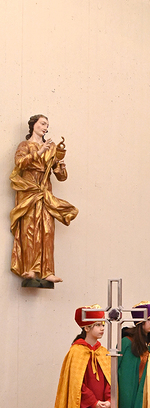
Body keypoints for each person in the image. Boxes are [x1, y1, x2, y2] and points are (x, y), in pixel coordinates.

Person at [10, 114, 78, 283]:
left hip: (45, 191)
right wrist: (39, 152)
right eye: (42, 123)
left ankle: (47, 271)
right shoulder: (25, 145)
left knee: (47, 230)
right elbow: (19, 163)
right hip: (29, 190)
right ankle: (30, 269)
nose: (45, 127)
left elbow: (61, 177)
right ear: (33, 125)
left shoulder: (51, 148)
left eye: (47, 125)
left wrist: (61, 167)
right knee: (29, 229)